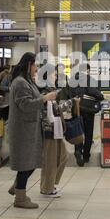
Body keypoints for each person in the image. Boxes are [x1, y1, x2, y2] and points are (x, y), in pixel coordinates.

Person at [8, 52, 56, 209]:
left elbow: (30, 99)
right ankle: (20, 198)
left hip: (29, 128)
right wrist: (44, 98)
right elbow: (26, 105)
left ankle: (17, 187)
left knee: (31, 161)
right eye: (35, 65)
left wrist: (43, 96)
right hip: (23, 130)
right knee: (26, 164)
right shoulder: (20, 82)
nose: (36, 68)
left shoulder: (26, 81)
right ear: (28, 64)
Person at [38, 65, 69, 198]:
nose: (56, 77)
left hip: (56, 129)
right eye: (53, 75)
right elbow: (45, 112)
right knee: (50, 160)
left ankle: (51, 184)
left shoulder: (51, 90)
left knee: (63, 156)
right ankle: (47, 188)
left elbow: (55, 109)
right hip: (49, 130)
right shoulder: (44, 92)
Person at [65, 63, 104, 166]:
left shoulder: (71, 80)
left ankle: (78, 151)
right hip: (88, 110)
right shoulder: (89, 79)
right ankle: (86, 155)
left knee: (78, 131)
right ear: (87, 70)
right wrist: (101, 96)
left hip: (76, 109)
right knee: (88, 132)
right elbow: (93, 91)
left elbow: (67, 94)